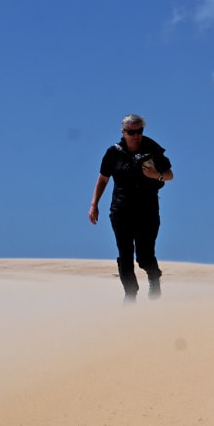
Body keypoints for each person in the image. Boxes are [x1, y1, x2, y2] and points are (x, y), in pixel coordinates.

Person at [88, 114, 174, 302]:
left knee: (144, 256)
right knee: (124, 255)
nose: (136, 135)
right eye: (131, 132)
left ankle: (154, 276)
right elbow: (103, 179)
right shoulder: (113, 153)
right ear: (123, 132)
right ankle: (130, 295)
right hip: (120, 210)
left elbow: (169, 175)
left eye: (139, 131)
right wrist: (94, 204)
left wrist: (156, 175)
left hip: (147, 211)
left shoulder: (152, 150)